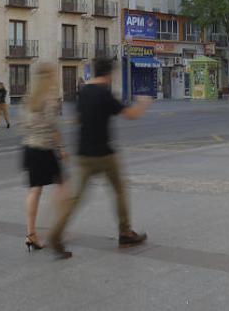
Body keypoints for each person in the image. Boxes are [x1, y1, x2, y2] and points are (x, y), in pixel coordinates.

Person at [49, 58, 152, 259]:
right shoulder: (105, 93)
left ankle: (55, 235)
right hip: (105, 154)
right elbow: (130, 114)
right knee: (120, 190)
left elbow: (78, 119)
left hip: (83, 154)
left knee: (75, 199)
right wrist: (144, 103)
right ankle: (125, 233)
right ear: (108, 74)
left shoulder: (83, 92)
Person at [21, 64, 65, 251]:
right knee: (63, 186)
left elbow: (23, 124)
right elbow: (52, 126)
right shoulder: (50, 98)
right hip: (44, 149)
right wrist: (61, 148)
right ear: (49, 77)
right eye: (54, 74)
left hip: (29, 147)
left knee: (35, 190)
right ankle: (56, 228)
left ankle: (31, 233)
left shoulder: (28, 98)